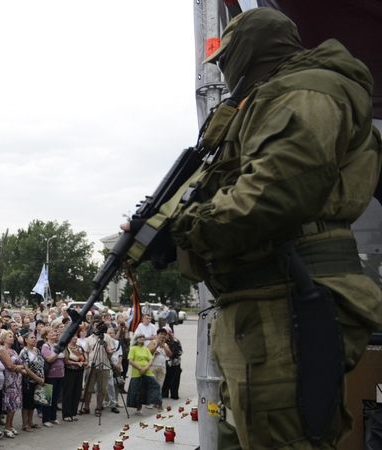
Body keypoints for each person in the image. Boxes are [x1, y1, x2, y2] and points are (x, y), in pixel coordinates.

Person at [158, 7, 382, 447]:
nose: (224, 69)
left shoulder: (306, 92)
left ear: (252, 51)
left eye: (227, 58)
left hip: (286, 301)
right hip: (262, 304)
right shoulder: (268, 99)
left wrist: (184, 226)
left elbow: (274, 193)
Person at [82, 315, 116, 418]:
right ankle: (86, 407)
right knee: (88, 388)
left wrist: (106, 347)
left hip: (104, 366)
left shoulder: (107, 337)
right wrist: (87, 362)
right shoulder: (89, 338)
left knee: (102, 388)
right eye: (96, 325)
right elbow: (86, 352)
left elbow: (111, 352)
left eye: (99, 325)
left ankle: (98, 407)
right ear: (93, 326)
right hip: (92, 366)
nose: (98, 327)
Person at [126, 333, 162, 416]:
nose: (142, 338)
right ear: (136, 339)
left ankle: (156, 404)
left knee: (155, 385)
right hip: (136, 372)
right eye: (140, 337)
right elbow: (130, 361)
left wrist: (145, 368)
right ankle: (139, 408)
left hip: (147, 371)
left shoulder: (146, 349)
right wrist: (140, 368)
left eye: (143, 337)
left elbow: (150, 359)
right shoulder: (133, 348)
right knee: (138, 390)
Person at [0, 330, 25, 438]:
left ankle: (10, 425)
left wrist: (20, 368)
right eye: (10, 336)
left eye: (13, 336)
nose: (12, 338)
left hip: (16, 379)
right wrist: (21, 369)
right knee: (11, 403)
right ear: (4, 339)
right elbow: (9, 365)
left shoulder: (13, 350)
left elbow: (22, 364)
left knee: (15, 403)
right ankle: (7, 427)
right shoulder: (3, 350)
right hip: (9, 379)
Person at [18, 330, 44, 431]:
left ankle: (31, 421)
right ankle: (25, 424)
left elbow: (41, 364)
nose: (34, 339)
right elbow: (26, 368)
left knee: (33, 402)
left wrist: (42, 377)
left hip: (38, 380)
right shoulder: (24, 352)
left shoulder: (36, 350)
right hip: (28, 381)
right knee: (27, 403)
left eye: (34, 338)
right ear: (26, 340)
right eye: (32, 338)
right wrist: (36, 378)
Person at [39, 327, 64, 427]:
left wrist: (63, 348)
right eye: (51, 333)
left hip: (60, 374)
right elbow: (49, 359)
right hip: (51, 375)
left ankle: (53, 417)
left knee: (56, 398)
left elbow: (64, 359)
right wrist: (57, 352)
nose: (54, 334)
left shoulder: (58, 345)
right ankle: (46, 419)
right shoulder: (46, 346)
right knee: (48, 397)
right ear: (46, 336)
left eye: (54, 332)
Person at [61, 334, 84, 421]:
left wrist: (83, 363)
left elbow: (84, 358)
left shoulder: (79, 348)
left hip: (79, 371)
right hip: (69, 371)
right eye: (73, 336)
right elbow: (65, 361)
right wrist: (75, 363)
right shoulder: (66, 347)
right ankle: (66, 413)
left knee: (77, 392)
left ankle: (73, 412)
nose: (75, 338)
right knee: (68, 392)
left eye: (76, 336)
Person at [161, 326, 183, 400]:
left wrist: (171, 355)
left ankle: (174, 394)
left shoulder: (175, 341)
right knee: (165, 379)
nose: (164, 335)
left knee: (175, 379)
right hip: (165, 363)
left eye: (165, 334)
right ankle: (164, 393)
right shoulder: (161, 341)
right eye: (162, 333)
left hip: (174, 363)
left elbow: (179, 352)